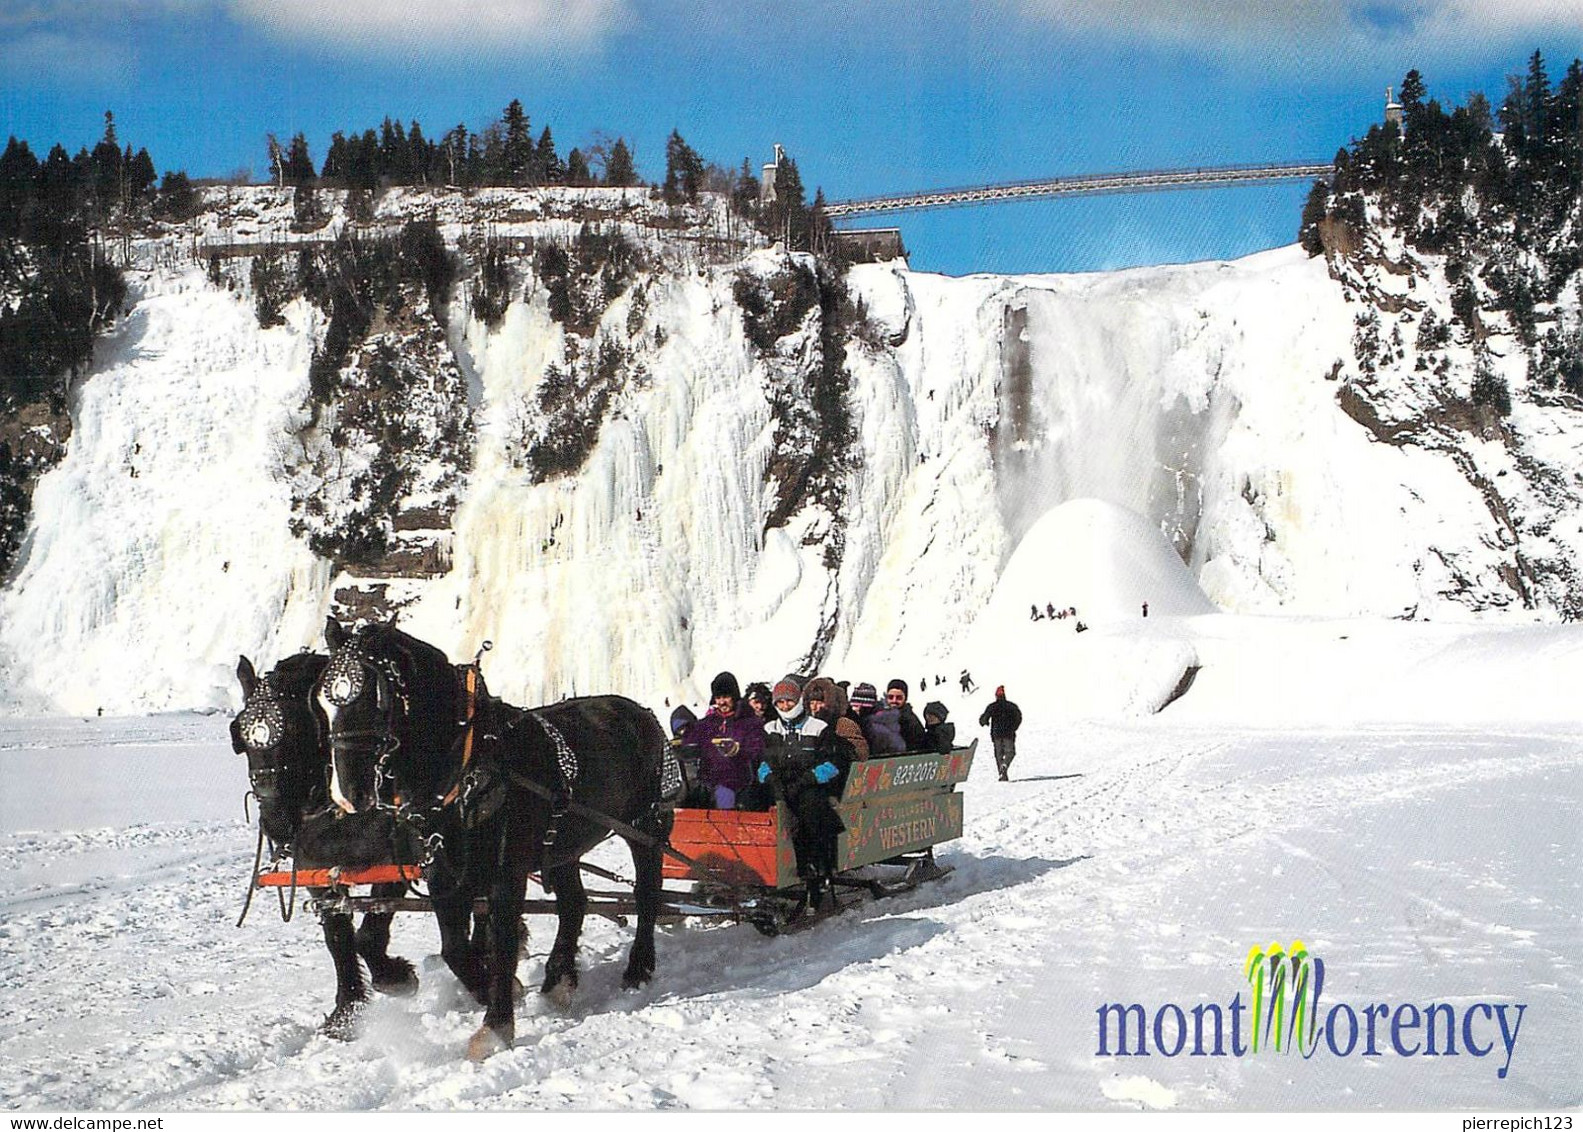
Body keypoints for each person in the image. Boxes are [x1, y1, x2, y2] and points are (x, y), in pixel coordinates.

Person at [679, 671, 764, 809]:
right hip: (707, 782)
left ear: (734, 696)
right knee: (685, 798)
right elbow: (690, 741)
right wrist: (681, 745)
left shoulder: (749, 722)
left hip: (737, 782)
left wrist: (737, 750)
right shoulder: (707, 724)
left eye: (726, 697)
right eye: (718, 697)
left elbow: (757, 749)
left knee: (724, 794)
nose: (722, 702)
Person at [804, 676, 869, 762]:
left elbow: (861, 754)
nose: (814, 707)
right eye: (812, 703)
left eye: (820, 702)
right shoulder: (806, 725)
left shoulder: (843, 724)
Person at [866, 679, 928, 754]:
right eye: (890, 697)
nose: (894, 701)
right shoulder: (877, 714)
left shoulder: (910, 720)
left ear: (905, 698)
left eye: (899, 698)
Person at [978, 685, 1023, 781]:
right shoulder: (1012, 706)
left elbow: (983, 719)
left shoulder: (992, 706)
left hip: (996, 734)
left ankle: (1002, 774)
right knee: (1010, 752)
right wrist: (1014, 727)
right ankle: (1005, 766)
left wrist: (985, 722)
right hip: (1008, 733)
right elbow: (1019, 717)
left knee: (998, 754)